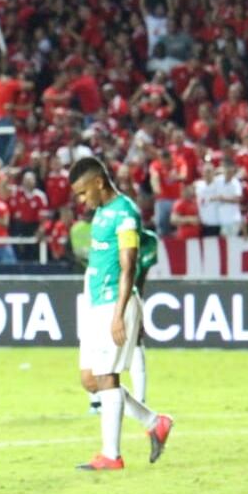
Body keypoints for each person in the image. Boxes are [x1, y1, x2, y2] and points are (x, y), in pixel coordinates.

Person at [69, 156, 173, 470]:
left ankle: (111, 455)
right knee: (91, 379)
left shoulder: (125, 214)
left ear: (99, 183)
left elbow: (129, 266)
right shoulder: (102, 213)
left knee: (106, 376)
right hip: (96, 303)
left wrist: (119, 313)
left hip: (114, 303)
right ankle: (155, 422)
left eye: (83, 193)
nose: (82, 201)